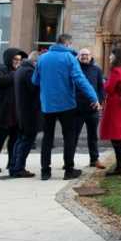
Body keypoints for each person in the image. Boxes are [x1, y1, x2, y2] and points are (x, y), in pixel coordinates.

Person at [32, 34, 100, 180]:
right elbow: (80, 79)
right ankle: (69, 170)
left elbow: (35, 80)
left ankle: (45, 171)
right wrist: (93, 97)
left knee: (47, 138)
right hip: (66, 104)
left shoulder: (42, 58)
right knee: (69, 136)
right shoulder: (69, 58)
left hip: (47, 105)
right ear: (67, 43)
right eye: (70, 45)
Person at [0, 47, 26, 173]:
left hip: (16, 112)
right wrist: (16, 73)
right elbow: (0, 81)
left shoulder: (19, 71)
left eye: (20, 60)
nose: (17, 62)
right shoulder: (1, 70)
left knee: (14, 139)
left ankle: (11, 162)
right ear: (9, 59)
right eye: (15, 59)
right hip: (4, 112)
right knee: (0, 138)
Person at [99, 45, 121, 175]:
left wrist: (104, 82)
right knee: (119, 135)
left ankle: (119, 166)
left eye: (111, 54)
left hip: (116, 106)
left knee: (116, 136)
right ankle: (120, 163)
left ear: (116, 56)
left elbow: (109, 88)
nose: (109, 57)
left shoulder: (116, 71)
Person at [8, 51, 41, 178]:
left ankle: (14, 166)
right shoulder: (29, 72)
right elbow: (34, 89)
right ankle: (18, 168)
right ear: (35, 62)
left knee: (20, 139)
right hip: (29, 112)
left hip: (22, 111)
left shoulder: (21, 70)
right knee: (26, 140)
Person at [73, 48, 106, 170]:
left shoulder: (96, 70)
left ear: (91, 56)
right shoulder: (74, 68)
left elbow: (101, 88)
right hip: (77, 109)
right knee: (73, 136)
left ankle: (94, 159)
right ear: (78, 56)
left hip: (93, 109)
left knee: (93, 136)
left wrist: (99, 101)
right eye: (82, 55)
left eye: (86, 55)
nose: (84, 57)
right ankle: (69, 161)